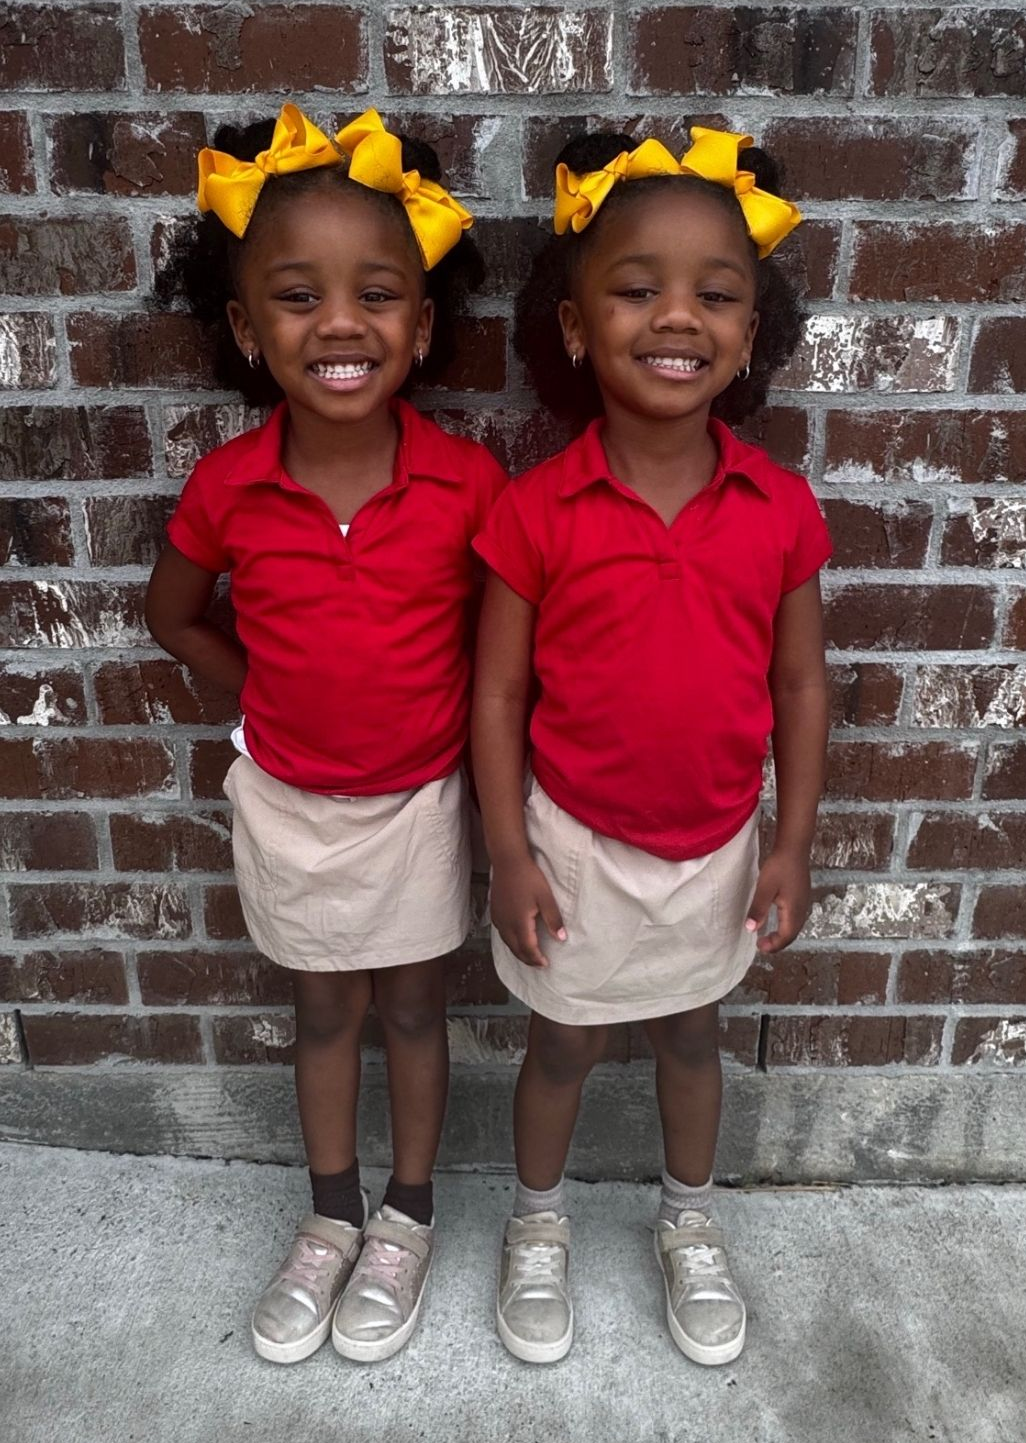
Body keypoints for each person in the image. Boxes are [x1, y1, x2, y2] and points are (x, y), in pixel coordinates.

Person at [145, 104, 505, 1365]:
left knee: (414, 1011)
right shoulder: (229, 486)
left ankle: (407, 1217)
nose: (339, 324)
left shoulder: (468, 484)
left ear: (422, 321)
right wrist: (256, 698)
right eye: (297, 298)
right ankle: (331, 1214)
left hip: (418, 803)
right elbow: (174, 614)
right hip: (291, 804)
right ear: (247, 329)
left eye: (376, 294)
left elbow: (509, 644)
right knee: (321, 1018)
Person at [472, 128, 830, 1366]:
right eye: (636, 288)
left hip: (720, 840)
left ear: (749, 330)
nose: (677, 315)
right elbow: (500, 695)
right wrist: (509, 853)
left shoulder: (778, 507)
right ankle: (536, 1223)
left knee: (692, 1034)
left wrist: (789, 843)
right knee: (563, 1042)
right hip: (574, 839)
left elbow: (799, 681)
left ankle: (689, 1221)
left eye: (715, 294)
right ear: (575, 328)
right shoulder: (536, 510)